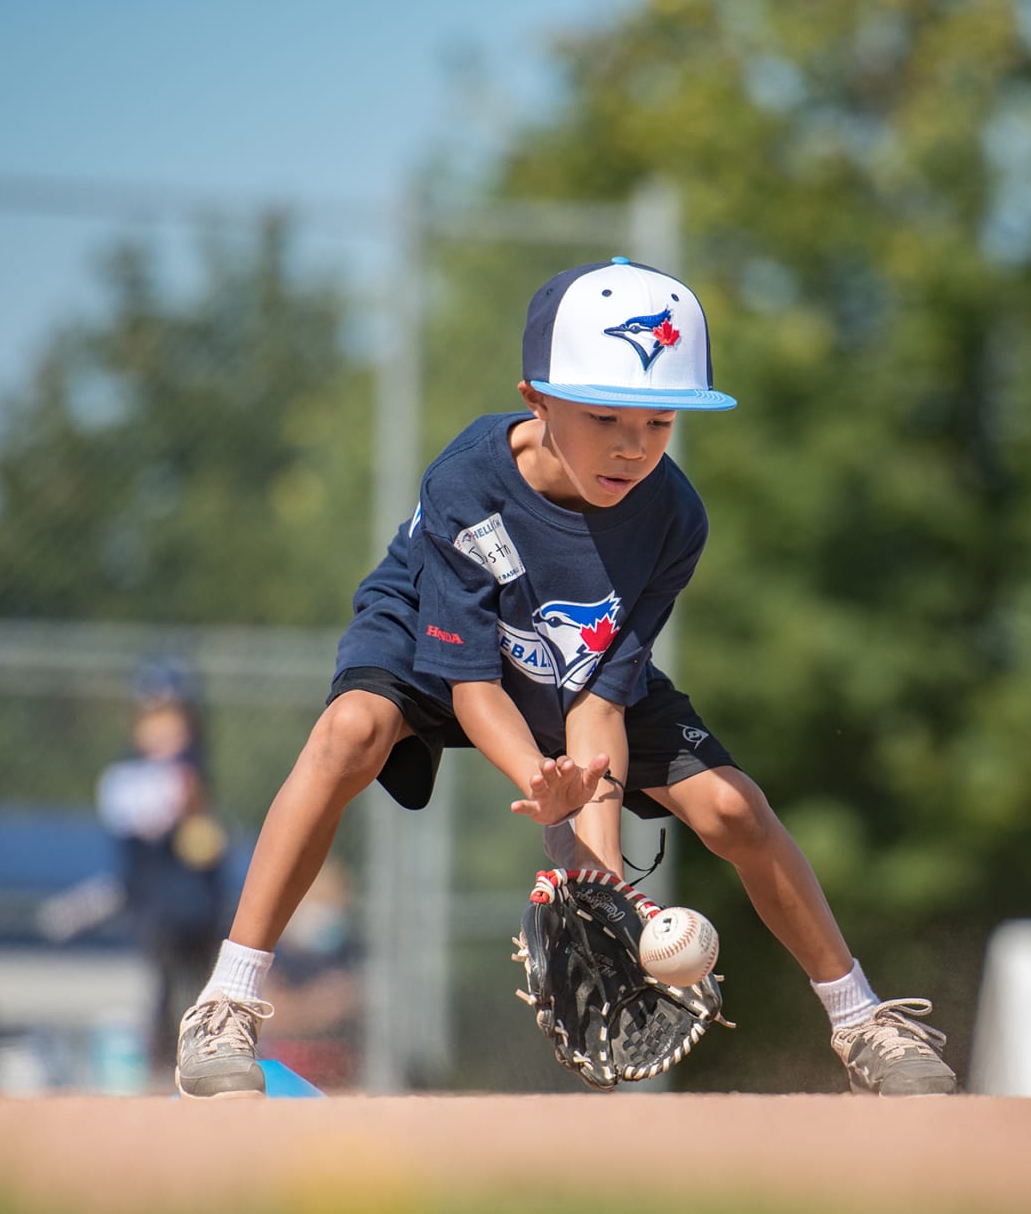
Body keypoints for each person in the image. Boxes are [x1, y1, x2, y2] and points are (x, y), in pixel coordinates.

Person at [175, 258, 957, 1098]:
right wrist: (537, 785)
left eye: (660, 421)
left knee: (733, 808)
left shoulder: (673, 518)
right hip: (436, 630)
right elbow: (473, 686)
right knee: (350, 732)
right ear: (536, 400)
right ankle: (228, 1001)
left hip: (568, 660)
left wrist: (596, 871)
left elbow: (599, 702)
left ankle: (862, 1020)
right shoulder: (468, 484)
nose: (632, 445)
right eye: (602, 416)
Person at [98, 659, 226, 1078]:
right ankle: (160, 1067)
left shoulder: (195, 771)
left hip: (201, 904)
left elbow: (206, 843)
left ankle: (209, 1058)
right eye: (153, 720)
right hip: (158, 907)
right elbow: (141, 823)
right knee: (164, 990)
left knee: (206, 988)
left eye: (173, 720)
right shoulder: (127, 778)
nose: (164, 731)